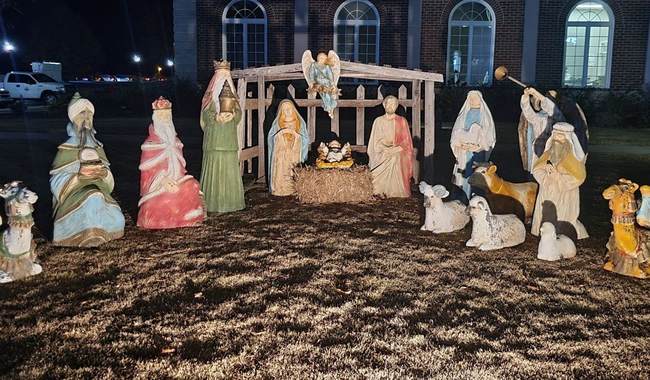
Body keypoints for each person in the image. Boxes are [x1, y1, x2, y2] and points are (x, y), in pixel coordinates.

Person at [50, 93, 125, 247]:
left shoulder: (98, 147)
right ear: (73, 118)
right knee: (93, 197)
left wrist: (104, 174)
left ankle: (104, 230)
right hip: (73, 193)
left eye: (89, 114)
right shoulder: (66, 149)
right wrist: (78, 177)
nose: (86, 118)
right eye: (82, 113)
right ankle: (86, 234)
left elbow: (109, 182)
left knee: (114, 213)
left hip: (99, 188)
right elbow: (55, 181)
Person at [138, 97, 206, 229]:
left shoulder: (176, 142)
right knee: (164, 200)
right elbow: (147, 173)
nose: (164, 119)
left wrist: (178, 179)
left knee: (192, 186)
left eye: (167, 115)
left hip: (177, 180)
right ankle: (174, 216)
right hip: (158, 186)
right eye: (161, 116)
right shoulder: (150, 145)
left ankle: (189, 215)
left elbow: (181, 167)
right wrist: (163, 181)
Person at [199, 60, 245, 213]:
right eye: (221, 75)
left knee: (229, 169)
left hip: (229, 140)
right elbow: (205, 114)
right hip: (214, 140)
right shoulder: (209, 97)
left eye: (226, 75)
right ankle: (211, 202)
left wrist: (233, 116)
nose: (224, 78)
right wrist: (215, 118)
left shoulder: (233, 97)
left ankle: (231, 202)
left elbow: (238, 114)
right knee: (214, 169)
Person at [531, 122, 588, 239]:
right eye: (555, 135)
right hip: (547, 192)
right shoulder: (548, 153)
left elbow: (578, 178)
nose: (557, 139)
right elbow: (537, 170)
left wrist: (557, 176)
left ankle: (563, 232)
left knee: (561, 217)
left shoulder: (574, 159)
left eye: (561, 136)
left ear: (568, 139)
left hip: (564, 196)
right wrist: (546, 177)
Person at [450, 90, 496, 198]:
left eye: (475, 98)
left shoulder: (484, 115)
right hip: (464, 152)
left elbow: (489, 135)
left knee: (476, 174)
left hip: (477, 153)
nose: (473, 100)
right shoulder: (464, 115)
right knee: (463, 174)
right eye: (471, 98)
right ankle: (462, 198)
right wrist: (460, 144)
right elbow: (456, 132)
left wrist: (479, 146)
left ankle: (476, 198)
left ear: (480, 100)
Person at [368, 95, 414, 198]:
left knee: (395, 157)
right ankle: (379, 190)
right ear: (384, 105)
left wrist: (395, 149)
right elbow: (374, 142)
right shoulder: (378, 121)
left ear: (396, 106)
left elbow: (406, 143)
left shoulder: (402, 121)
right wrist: (385, 148)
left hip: (397, 151)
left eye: (394, 104)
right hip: (382, 151)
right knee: (387, 156)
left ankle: (396, 191)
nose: (391, 106)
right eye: (389, 104)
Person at [267, 100, 309, 196]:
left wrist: (297, 137)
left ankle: (294, 188)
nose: (288, 111)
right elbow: (271, 138)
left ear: (293, 109)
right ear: (281, 111)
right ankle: (279, 188)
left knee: (292, 170)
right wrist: (279, 136)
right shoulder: (277, 123)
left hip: (295, 152)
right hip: (281, 153)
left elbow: (305, 138)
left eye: (289, 108)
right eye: (285, 109)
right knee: (281, 170)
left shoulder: (299, 122)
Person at [519, 87, 563, 172]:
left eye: (553, 98)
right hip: (538, 153)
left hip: (554, 154)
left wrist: (536, 93)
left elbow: (552, 108)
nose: (551, 100)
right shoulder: (540, 117)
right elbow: (528, 112)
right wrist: (525, 96)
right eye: (549, 97)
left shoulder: (559, 117)